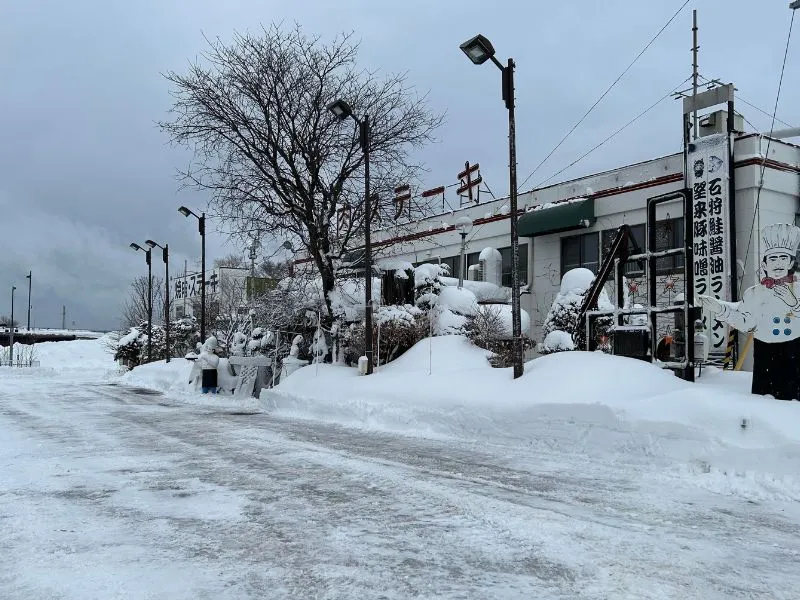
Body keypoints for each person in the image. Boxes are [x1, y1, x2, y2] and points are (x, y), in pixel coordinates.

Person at [699, 223, 800, 400]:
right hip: (764, 349)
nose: (778, 263)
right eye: (773, 259)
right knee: (763, 397)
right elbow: (746, 322)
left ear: (791, 262)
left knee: (792, 399)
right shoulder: (754, 293)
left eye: (783, 258)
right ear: (765, 264)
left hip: (794, 348)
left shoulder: (798, 289)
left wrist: (794, 304)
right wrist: (721, 309)